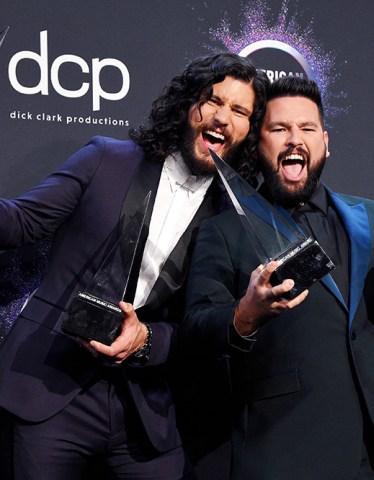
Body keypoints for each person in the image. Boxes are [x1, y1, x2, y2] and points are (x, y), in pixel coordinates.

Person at [0, 53, 268, 479]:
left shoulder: (230, 220)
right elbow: (22, 222)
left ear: (249, 131)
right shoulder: (107, 159)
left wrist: (145, 341)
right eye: (212, 100)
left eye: (239, 111)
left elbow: (198, 329)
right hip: (50, 387)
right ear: (186, 106)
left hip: (145, 415)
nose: (222, 117)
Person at [183, 76, 374, 479]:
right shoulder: (224, 231)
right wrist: (246, 313)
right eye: (279, 129)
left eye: (307, 129)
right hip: (287, 449)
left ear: (325, 142)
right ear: (258, 145)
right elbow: (195, 328)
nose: (295, 139)